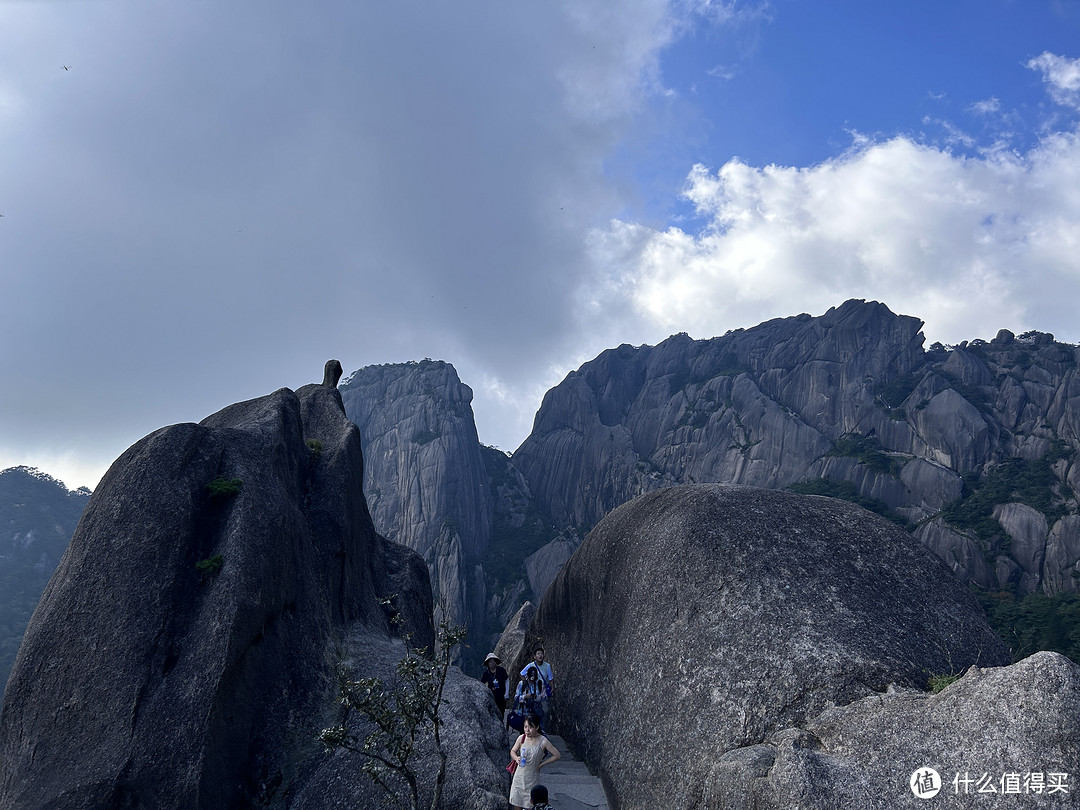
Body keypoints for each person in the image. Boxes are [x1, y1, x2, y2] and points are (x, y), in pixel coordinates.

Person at [509, 714, 560, 810]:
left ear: (537, 727)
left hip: (532, 777)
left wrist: (542, 764)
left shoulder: (543, 741)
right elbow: (512, 751)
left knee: (530, 805)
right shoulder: (521, 738)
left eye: (530, 727)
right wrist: (516, 758)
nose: (527, 730)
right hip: (519, 777)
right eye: (525, 727)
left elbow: (557, 755)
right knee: (516, 803)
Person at [480, 652, 509, 723]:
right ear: (488, 663)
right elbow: (482, 685)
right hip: (492, 697)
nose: (492, 663)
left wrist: (506, 693)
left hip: (501, 696)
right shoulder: (486, 674)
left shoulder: (501, 671)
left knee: (501, 713)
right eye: (490, 662)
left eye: (493, 661)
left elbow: (507, 680)